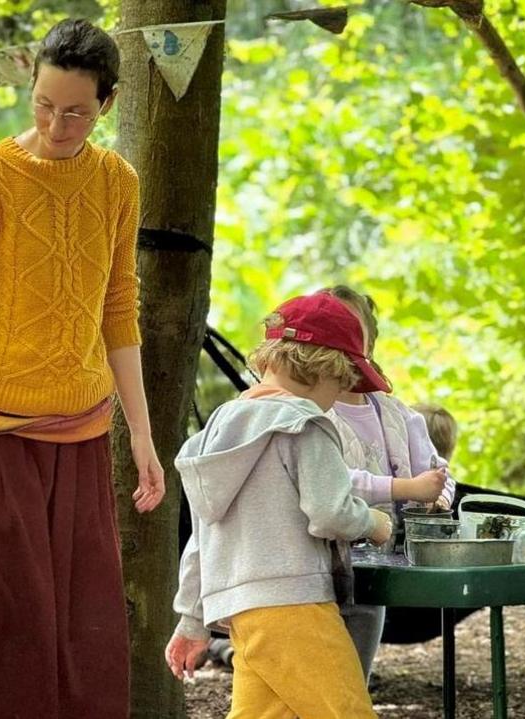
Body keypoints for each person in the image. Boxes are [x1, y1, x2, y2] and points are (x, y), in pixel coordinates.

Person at [0, 18, 164, 717]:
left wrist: (140, 434)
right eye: (43, 103)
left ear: (107, 104)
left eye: (75, 110)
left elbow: (118, 306)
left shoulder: (117, 182)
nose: (56, 121)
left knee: (74, 634)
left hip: (76, 437)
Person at [165, 291, 394, 719]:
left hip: (242, 613)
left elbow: (203, 535)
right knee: (348, 711)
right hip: (295, 603)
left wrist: (191, 621)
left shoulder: (217, 433)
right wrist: (374, 522)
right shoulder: (307, 424)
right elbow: (330, 512)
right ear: (328, 367)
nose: (339, 397)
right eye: (343, 384)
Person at [322, 285, 454, 682]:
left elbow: (436, 470)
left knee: (354, 682)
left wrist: (438, 498)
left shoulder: (398, 414)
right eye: (332, 327)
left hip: (378, 570)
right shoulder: (312, 413)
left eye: (352, 327)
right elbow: (331, 483)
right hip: (320, 571)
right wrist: (404, 489)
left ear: (369, 341)